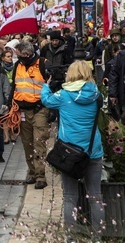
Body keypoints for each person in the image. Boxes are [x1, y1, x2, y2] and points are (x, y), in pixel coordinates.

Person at [41, 60, 104, 240]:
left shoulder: (63, 95)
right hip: (93, 151)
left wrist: (46, 85)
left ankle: (71, 237)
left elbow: (46, 100)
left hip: (69, 153)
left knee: (70, 197)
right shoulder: (96, 94)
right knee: (96, 197)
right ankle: (98, 237)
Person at [12, 40, 50, 189]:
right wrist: (11, 105)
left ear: (27, 53)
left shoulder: (42, 64)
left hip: (39, 109)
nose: (18, 57)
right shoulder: (18, 65)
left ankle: (41, 176)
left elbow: (51, 85)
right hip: (22, 110)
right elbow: (14, 86)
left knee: (39, 142)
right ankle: (32, 173)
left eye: (19, 55)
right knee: (27, 143)